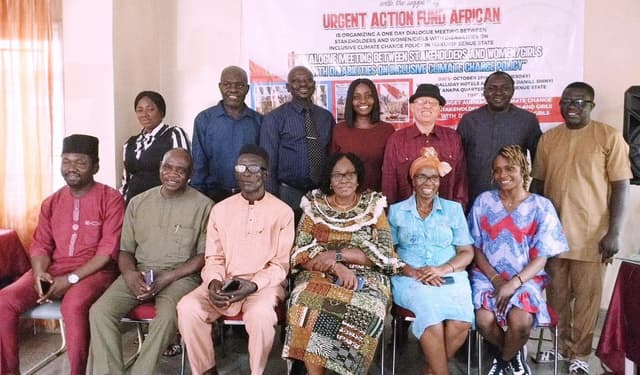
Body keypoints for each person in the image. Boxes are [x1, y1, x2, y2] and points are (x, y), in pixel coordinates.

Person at [0, 135, 124, 375]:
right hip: (54, 269)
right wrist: (39, 274)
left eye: (80, 162)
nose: (72, 168)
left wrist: (70, 280)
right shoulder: (51, 202)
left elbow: (107, 252)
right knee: (3, 301)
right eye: (66, 161)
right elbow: (41, 245)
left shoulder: (112, 199)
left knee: (73, 305)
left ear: (96, 166)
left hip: (96, 272)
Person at [531, 82, 631, 374]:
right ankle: (561, 346)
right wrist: (536, 228)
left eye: (580, 102)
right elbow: (538, 184)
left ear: (591, 105)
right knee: (557, 295)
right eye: (567, 101)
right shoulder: (549, 139)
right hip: (554, 234)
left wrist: (614, 232)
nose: (572, 106)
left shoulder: (608, 137)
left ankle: (580, 353)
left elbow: (621, 187)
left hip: (592, 235)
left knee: (588, 300)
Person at [89, 148, 212, 374]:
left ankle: (141, 371)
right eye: (167, 167)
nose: (172, 174)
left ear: (190, 174)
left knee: (166, 318)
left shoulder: (204, 206)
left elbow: (202, 257)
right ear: (159, 168)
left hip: (180, 277)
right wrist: (129, 274)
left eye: (180, 170)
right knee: (100, 311)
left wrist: (169, 277)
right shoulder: (138, 203)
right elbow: (125, 250)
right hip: (139, 273)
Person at [177, 144, 294, 375]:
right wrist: (213, 282)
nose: (247, 173)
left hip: (263, 286)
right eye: (241, 167)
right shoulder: (220, 210)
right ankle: (206, 371)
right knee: (187, 307)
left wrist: (253, 284)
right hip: (225, 281)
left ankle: (256, 372)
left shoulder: (283, 212)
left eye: (253, 168)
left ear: (265, 174)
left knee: (261, 316)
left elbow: (281, 264)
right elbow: (214, 256)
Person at [282, 152, 402, 375]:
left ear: (358, 178)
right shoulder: (314, 205)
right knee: (303, 304)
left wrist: (339, 256)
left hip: (367, 276)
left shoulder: (373, 206)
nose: (344, 179)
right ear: (329, 179)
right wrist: (334, 266)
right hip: (319, 272)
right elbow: (299, 252)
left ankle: (350, 370)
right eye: (338, 175)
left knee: (369, 308)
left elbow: (386, 255)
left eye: (350, 174)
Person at [468, 145, 568, 375]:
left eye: (509, 168)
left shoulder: (542, 207)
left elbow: (543, 256)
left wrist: (513, 283)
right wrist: (496, 280)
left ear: (523, 169)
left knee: (521, 322)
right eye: (497, 170)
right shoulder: (484, 201)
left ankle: (503, 361)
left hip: (526, 277)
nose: (503, 175)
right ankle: (513, 356)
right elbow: (474, 246)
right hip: (487, 275)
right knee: (483, 320)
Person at [388, 147, 474, 375]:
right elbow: (388, 252)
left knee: (461, 321)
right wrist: (413, 272)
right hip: (410, 278)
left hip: (450, 275)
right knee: (430, 317)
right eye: (422, 176)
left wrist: (442, 269)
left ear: (439, 181)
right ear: (412, 180)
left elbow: (466, 251)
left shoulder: (453, 210)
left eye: (434, 177)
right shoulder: (396, 212)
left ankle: (431, 370)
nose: (429, 182)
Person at [260, 66, 336, 222]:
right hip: (287, 193)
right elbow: (268, 163)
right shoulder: (275, 118)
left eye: (308, 80)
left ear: (314, 85)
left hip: (320, 194)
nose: (303, 84)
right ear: (288, 87)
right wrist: (271, 199)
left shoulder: (326, 118)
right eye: (296, 81)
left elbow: (331, 157)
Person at [457, 71, 541, 205]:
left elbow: (539, 163)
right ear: (484, 92)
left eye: (505, 88)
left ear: (512, 91)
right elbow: (458, 164)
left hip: (515, 201)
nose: (498, 93)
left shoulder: (527, 120)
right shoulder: (469, 121)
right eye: (492, 88)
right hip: (475, 200)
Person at [382, 83, 468, 209]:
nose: (427, 105)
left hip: (444, 216)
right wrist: (391, 216)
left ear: (440, 108)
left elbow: (461, 180)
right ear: (412, 107)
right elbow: (389, 182)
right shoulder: (397, 139)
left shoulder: (453, 138)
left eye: (432, 102)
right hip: (405, 217)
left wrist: (457, 212)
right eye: (421, 101)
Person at [191, 66, 263, 203]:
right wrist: (197, 196)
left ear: (247, 89)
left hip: (250, 194)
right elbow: (199, 163)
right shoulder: (204, 119)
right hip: (213, 194)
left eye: (239, 85)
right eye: (227, 85)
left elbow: (264, 164)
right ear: (220, 86)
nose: (233, 89)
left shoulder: (259, 121)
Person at [121, 91, 190, 203]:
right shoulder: (130, 143)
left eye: (150, 109)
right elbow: (126, 180)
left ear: (162, 112)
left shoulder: (173, 134)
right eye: (140, 110)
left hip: (164, 203)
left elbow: (185, 171)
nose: (144, 114)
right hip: (133, 204)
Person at [330, 78, 395, 192]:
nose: (363, 101)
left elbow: (392, 170)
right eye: (356, 97)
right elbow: (332, 169)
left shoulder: (387, 130)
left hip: (377, 199)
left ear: (374, 99)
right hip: (346, 198)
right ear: (350, 101)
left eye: (368, 96)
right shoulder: (339, 130)